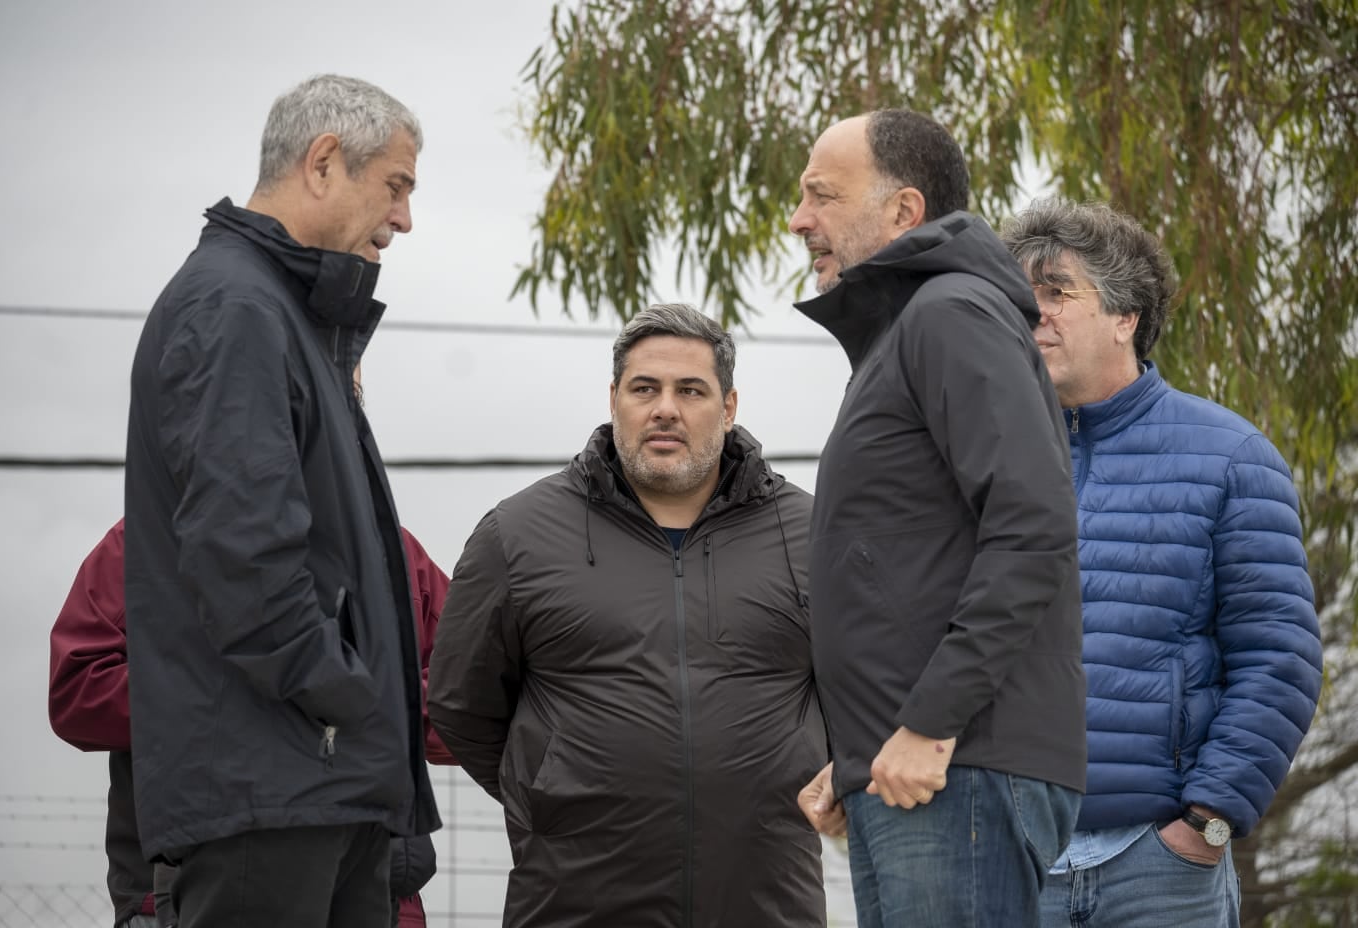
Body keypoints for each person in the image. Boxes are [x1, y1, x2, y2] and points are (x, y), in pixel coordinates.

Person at [123, 74, 436, 927]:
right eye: (397, 186)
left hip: (316, 785)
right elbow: (244, 553)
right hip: (274, 795)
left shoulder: (286, 316)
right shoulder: (236, 308)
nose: (405, 218)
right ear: (325, 162)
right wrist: (345, 694)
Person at [427, 303, 826, 927]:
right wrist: (550, 791)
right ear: (614, 399)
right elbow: (460, 702)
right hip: (573, 902)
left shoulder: (810, 534)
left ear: (728, 407)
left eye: (690, 390)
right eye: (645, 388)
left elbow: (861, 692)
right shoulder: (518, 534)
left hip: (766, 900)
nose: (665, 407)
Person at [788, 109, 1086, 927]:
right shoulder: (910, 332)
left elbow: (1033, 524)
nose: (799, 218)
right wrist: (857, 757)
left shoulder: (949, 314)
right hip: (910, 770)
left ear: (903, 212)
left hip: (961, 767)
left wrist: (930, 721)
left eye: (821, 195)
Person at [998, 198, 1324, 926]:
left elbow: (1282, 660)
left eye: (1057, 294)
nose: (1034, 315)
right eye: (1022, 299)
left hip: (1159, 868)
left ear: (1127, 317)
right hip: (1012, 861)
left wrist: (1206, 825)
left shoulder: (1231, 458)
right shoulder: (980, 457)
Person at [48, 519, 455, 928]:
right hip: (188, 888)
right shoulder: (153, 534)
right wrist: (245, 700)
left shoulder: (389, 545)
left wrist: (364, 701)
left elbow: (468, 692)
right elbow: (79, 688)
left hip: (384, 897)